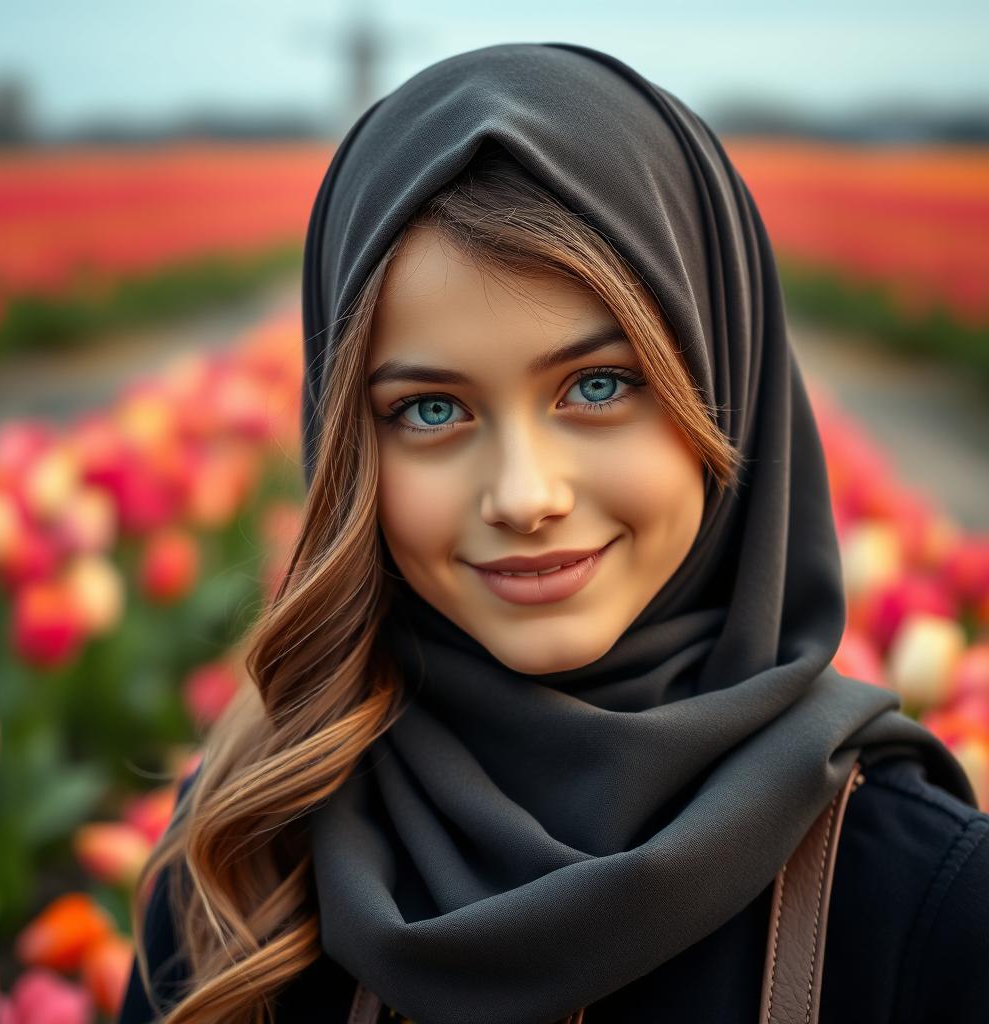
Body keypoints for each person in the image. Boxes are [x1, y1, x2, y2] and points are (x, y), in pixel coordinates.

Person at [118, 42, 989, 1024]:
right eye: (430, 409)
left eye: (598, 386)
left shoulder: (925, 906)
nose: (523, 496)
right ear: (347, 442)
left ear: (728, 388)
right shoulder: (245, 867)